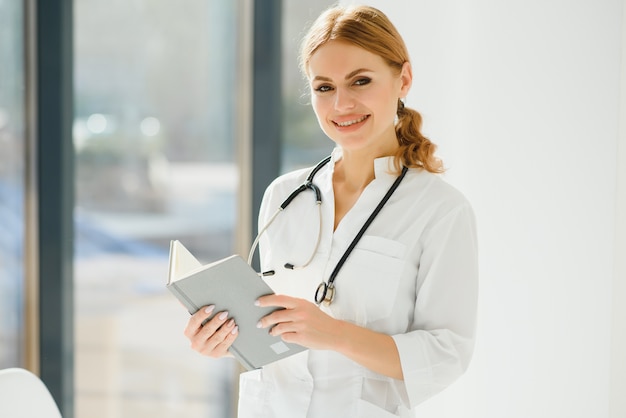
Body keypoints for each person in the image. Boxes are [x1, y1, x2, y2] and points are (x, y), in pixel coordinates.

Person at [184, 4, 478, 417]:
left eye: (360, 81)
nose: (342, 104)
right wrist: (223, 338)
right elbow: (271, 333)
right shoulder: (284, 196)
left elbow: (447, 353)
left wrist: (335, 334)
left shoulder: (440, 210)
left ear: (403, 79)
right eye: (324, 87)